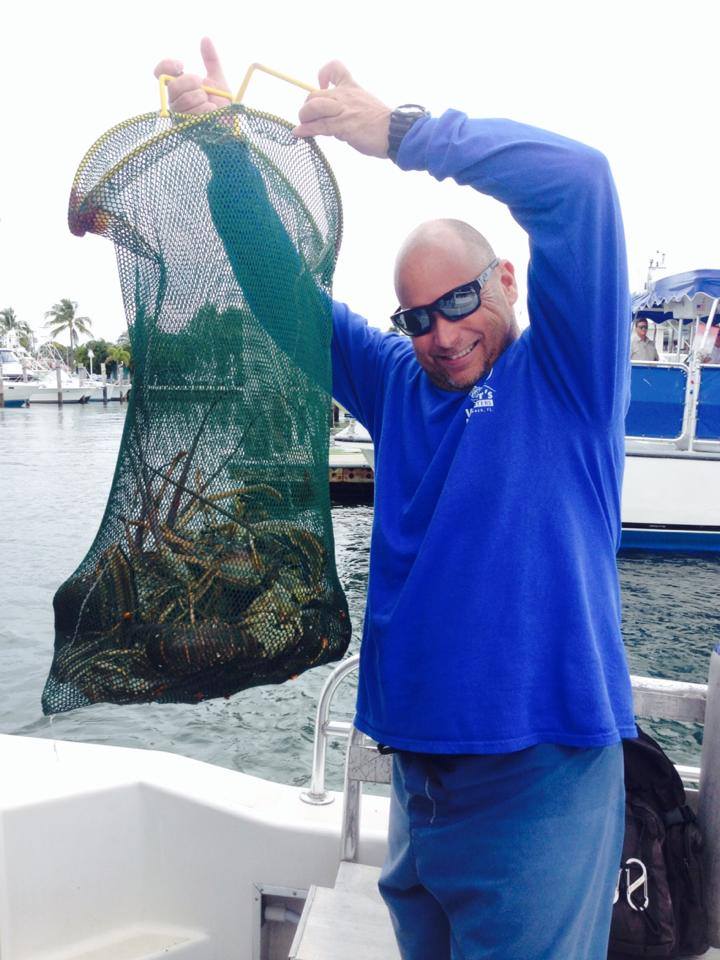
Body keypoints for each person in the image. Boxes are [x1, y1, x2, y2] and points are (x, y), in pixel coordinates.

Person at [154, 40, 636, 960]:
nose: (442, 335)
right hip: (418, 782)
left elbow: (580, 183)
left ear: (506, 281)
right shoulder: (398, 385)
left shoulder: (567, 376)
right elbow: (283, 293)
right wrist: (223, 152)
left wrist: (404, 134)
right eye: (416, 318)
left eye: (458, 303)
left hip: (541, 777)